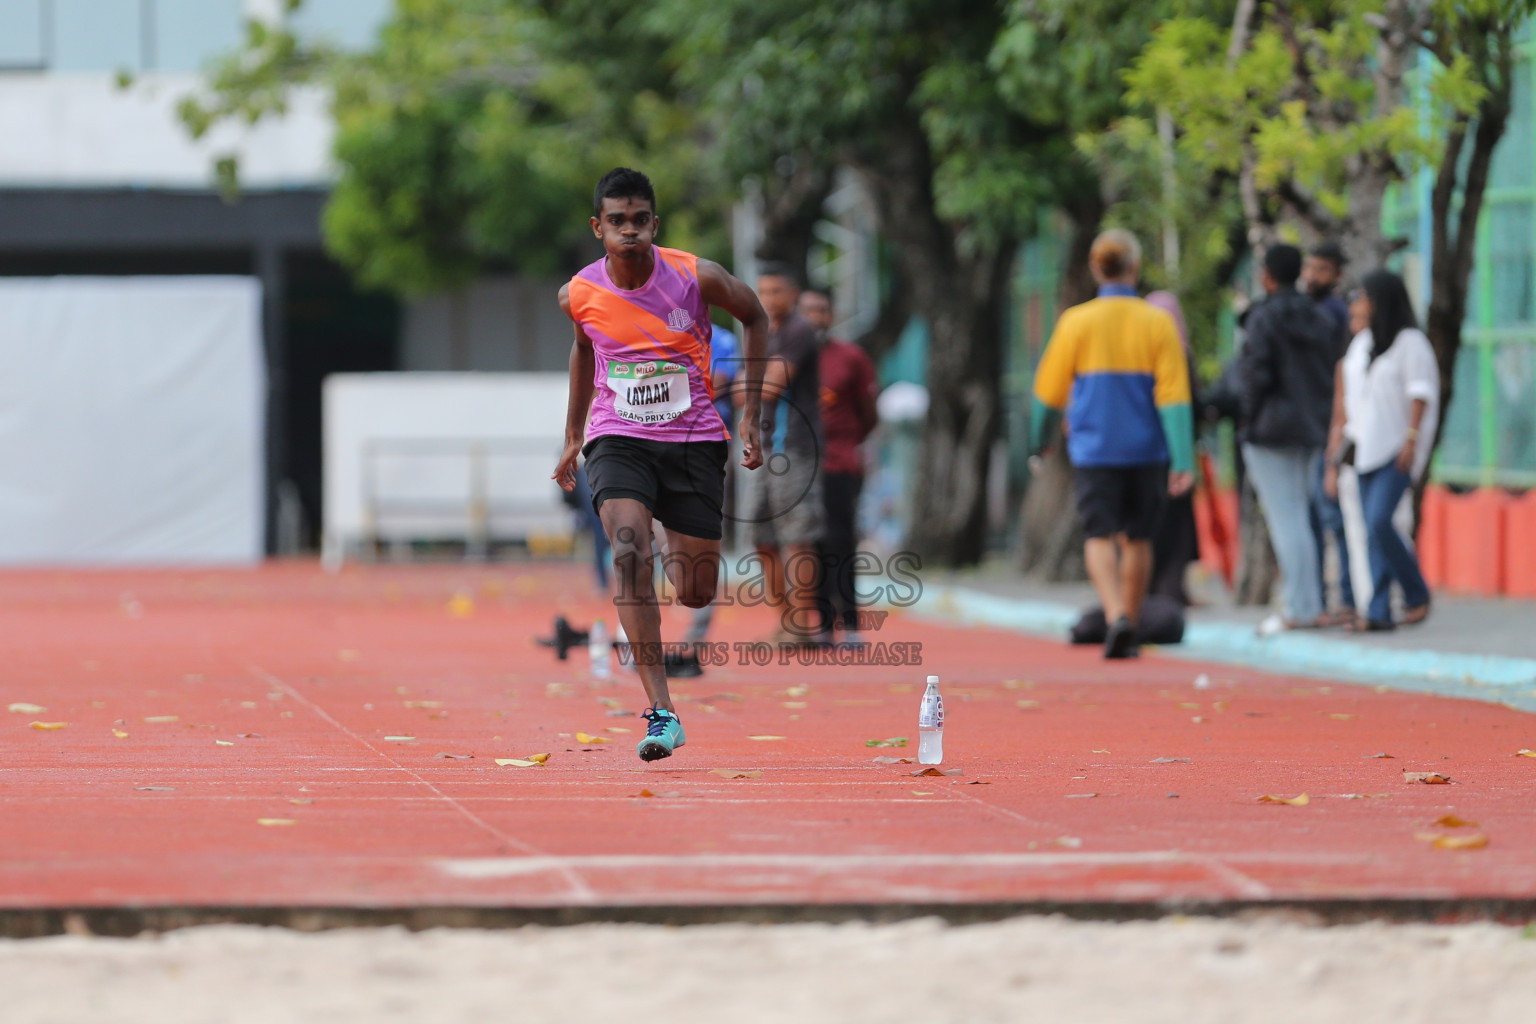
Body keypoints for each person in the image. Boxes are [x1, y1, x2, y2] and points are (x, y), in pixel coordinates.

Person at [552, 167, 766, 762]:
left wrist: (750, 412)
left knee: (695, 591)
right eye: (616, 221)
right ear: (598, 228)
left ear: (654, 224)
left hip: (695, 440)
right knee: (627, 551)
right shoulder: (579, 293)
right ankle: (662, 711)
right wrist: (574, 434)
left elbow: (755, 317)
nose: (629, 232)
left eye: (639, 220)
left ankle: (677, 571)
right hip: (618, 437)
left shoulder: (697, 277)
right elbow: (583, 349)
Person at [1031, 229, 1194, 659]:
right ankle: (1133, 622)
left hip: (1094, 451)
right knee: (1139, 539)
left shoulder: (1076, 322)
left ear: (1094, 267)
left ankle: (1116, 612)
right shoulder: (1157, 322)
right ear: (1134, 268)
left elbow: (1047, 393)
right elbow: (1175, 397)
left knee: (1098, 535)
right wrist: (1183, 458)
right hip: (1147, 450)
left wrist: (1037, 444)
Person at [1325, 270, 1436, 631]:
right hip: (1363, 449)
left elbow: (1420, 393)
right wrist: (1336, 453)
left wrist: (1411, 437)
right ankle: (1377, 612)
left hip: (1394, 449)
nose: (1357, 304)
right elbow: (1348, 398)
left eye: (1363, 297)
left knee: (1379, 521)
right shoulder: (1363, 343)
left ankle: (1416, 592)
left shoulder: (1410, 342)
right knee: (1370, 530)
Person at [1238, 243, 1336, 632]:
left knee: (1286, 519)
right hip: (1311, 428)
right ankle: (1308, 603)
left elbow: (1255, 374)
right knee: (1298, 514)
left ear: (1267, 276)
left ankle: (1300, 607)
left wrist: (1247, 416)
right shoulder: (1318, 316)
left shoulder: (1263, 318)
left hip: (1270, 430)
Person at [751, 264, 825, 644]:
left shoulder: (798, 331)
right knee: (761, 537)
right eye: (762, 291)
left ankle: (801, 626)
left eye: (776, 291)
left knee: (797, 538)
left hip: (795, 446)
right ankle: (786, 622)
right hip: (764, 448)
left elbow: (770, 388)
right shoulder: (765, 332)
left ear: (793, 295)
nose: (768, 299)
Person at [799, 288, 878, 644]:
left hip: (840, 463)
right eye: (808, 310)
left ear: (831, 316)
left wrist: (848, 442)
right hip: (797, 464)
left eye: (822, 310)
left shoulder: (851, 357)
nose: (816, 317)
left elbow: (869, 412)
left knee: (840, 542)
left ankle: (851, 623)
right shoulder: (787, 357)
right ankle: (822, 624)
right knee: (808, 544)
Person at [1302, 242, 1355, 622]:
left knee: (1332, 517)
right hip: (1314, 424)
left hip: (1328, 424)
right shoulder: (1315, 310)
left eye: (1321, 269)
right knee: (1318, 516)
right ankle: (1323, 598)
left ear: (1336, 275)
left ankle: (1346, 598)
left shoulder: (1332, 314)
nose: (1312, 276)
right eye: (1310, 268)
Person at [1144, 290, 1201, 606]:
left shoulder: (1137, 354)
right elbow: (1187, 405)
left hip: (1144, 452)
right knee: (1174, 524)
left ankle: (1149, 587)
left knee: (1150, 523)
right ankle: (1170, 588)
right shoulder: (1180, 355)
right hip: (1174, 452)